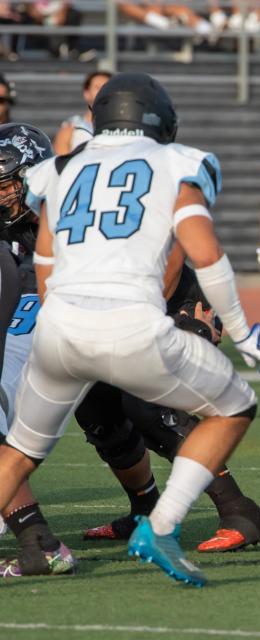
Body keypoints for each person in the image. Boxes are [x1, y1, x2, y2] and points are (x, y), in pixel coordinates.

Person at [0, 72, 260, 587]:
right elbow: (206, 250)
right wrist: (243, 332)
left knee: (28, 447)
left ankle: (227, 509)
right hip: (124, 321)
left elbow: (48, 262)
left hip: (89, 320)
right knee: (212, 407)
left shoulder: (60, 171)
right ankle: (158, 521)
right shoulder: (176, 162)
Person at [76, 263, 260, 553]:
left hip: (169, 305)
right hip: (107, 314)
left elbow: (176, 249)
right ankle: (144, 511)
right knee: (97, 411)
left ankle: (239, 511)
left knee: (150, 408)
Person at [0, 123, 76, 578]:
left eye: (7, 184)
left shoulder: (62, 220)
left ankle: (41, 543)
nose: (2, 195)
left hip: (52, 355)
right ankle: (40, 542)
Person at [52, 71, 112, 156]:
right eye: (97, 87)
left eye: (106, 87)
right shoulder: (71, 127)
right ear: (86, 93)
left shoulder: (123, 129)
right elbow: (61, 162)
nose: (103, 91)